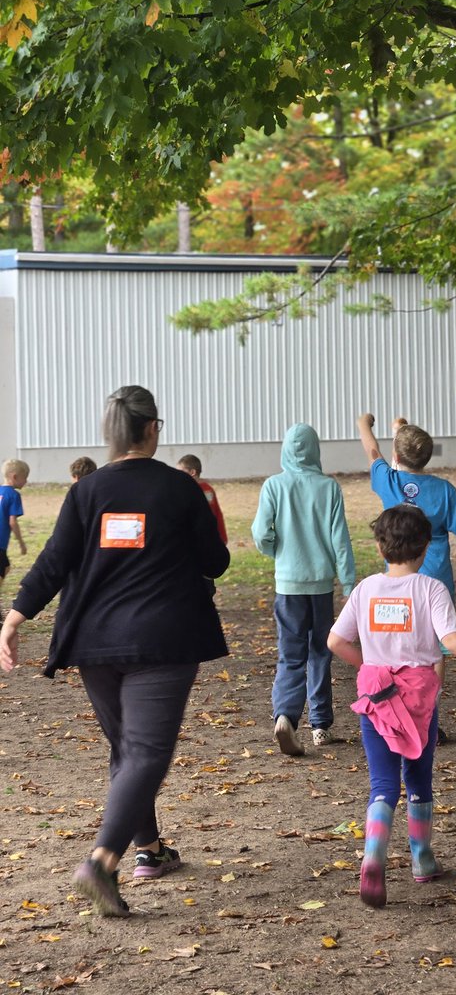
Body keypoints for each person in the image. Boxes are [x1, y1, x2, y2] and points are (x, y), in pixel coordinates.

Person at [0, 385, 230, 918]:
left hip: (94, 642)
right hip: (162, 640)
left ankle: (148, 852)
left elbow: (53, 563)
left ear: (111, 434)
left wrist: (13, 620)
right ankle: (102, 860)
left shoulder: (86, 492)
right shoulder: (180, 489)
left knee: (129, 752)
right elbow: (215, 562)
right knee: (146, 752)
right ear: (153, 429)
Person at [327, 504, 456, 908]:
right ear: (424, 548)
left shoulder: (365, 589)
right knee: (418, 780)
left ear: (380, 547)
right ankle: (421, 858)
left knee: (383, 785)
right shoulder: (430, 589)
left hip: (375, 697)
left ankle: (373, 855)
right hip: (418, 699)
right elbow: (451, 642)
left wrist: (369, 666)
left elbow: (336, 641)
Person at [357, 414, 456, 743]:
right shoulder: (444, 491)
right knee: (433, 652)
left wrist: (364, 423)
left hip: (398, 583)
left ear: (397, 455)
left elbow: (372, 451)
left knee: (398, 648)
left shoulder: (388, 481)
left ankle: (395, 713)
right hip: (435, 582)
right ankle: (426, 718)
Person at [252, 423, 355, 756]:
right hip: (321, 585)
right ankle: (321, 724)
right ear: (315, 450)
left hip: (288, 585)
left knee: (290, 654)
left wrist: (275, 551)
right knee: (321, 652)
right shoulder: (329, 488)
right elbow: (340, 540)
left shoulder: (273, 486)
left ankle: (285, 716)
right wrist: (349, 583)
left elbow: (259, 533)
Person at [177, 454, 228, 544]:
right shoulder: (206, 489)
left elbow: (216, 513)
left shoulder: (201, 490)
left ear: (192, 472)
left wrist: (222, 538)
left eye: (180, 472)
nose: (177, 475)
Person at [0, 459, 29, 611]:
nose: (27, 480)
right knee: (3, 567)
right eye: (25, 476)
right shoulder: (13, 495)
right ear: (15, 476)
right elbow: (12, 522)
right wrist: (21, 543)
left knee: (5, 567)